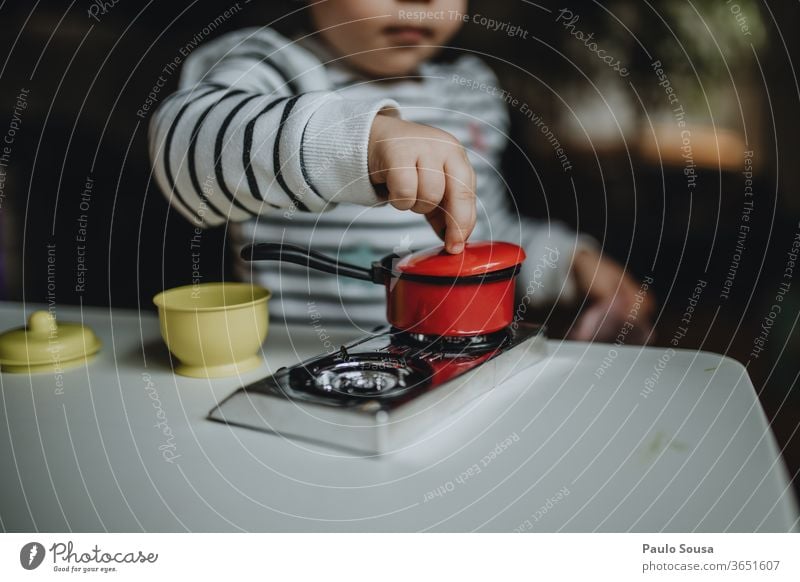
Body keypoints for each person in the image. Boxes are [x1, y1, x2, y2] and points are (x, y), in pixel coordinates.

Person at [149, 0, 652, 341]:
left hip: (446, 360)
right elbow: (185, 153)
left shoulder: (468, 92)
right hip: (296, 362)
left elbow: (482, 232)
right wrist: (357, 144)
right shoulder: (271, 67)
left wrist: (565, 260)